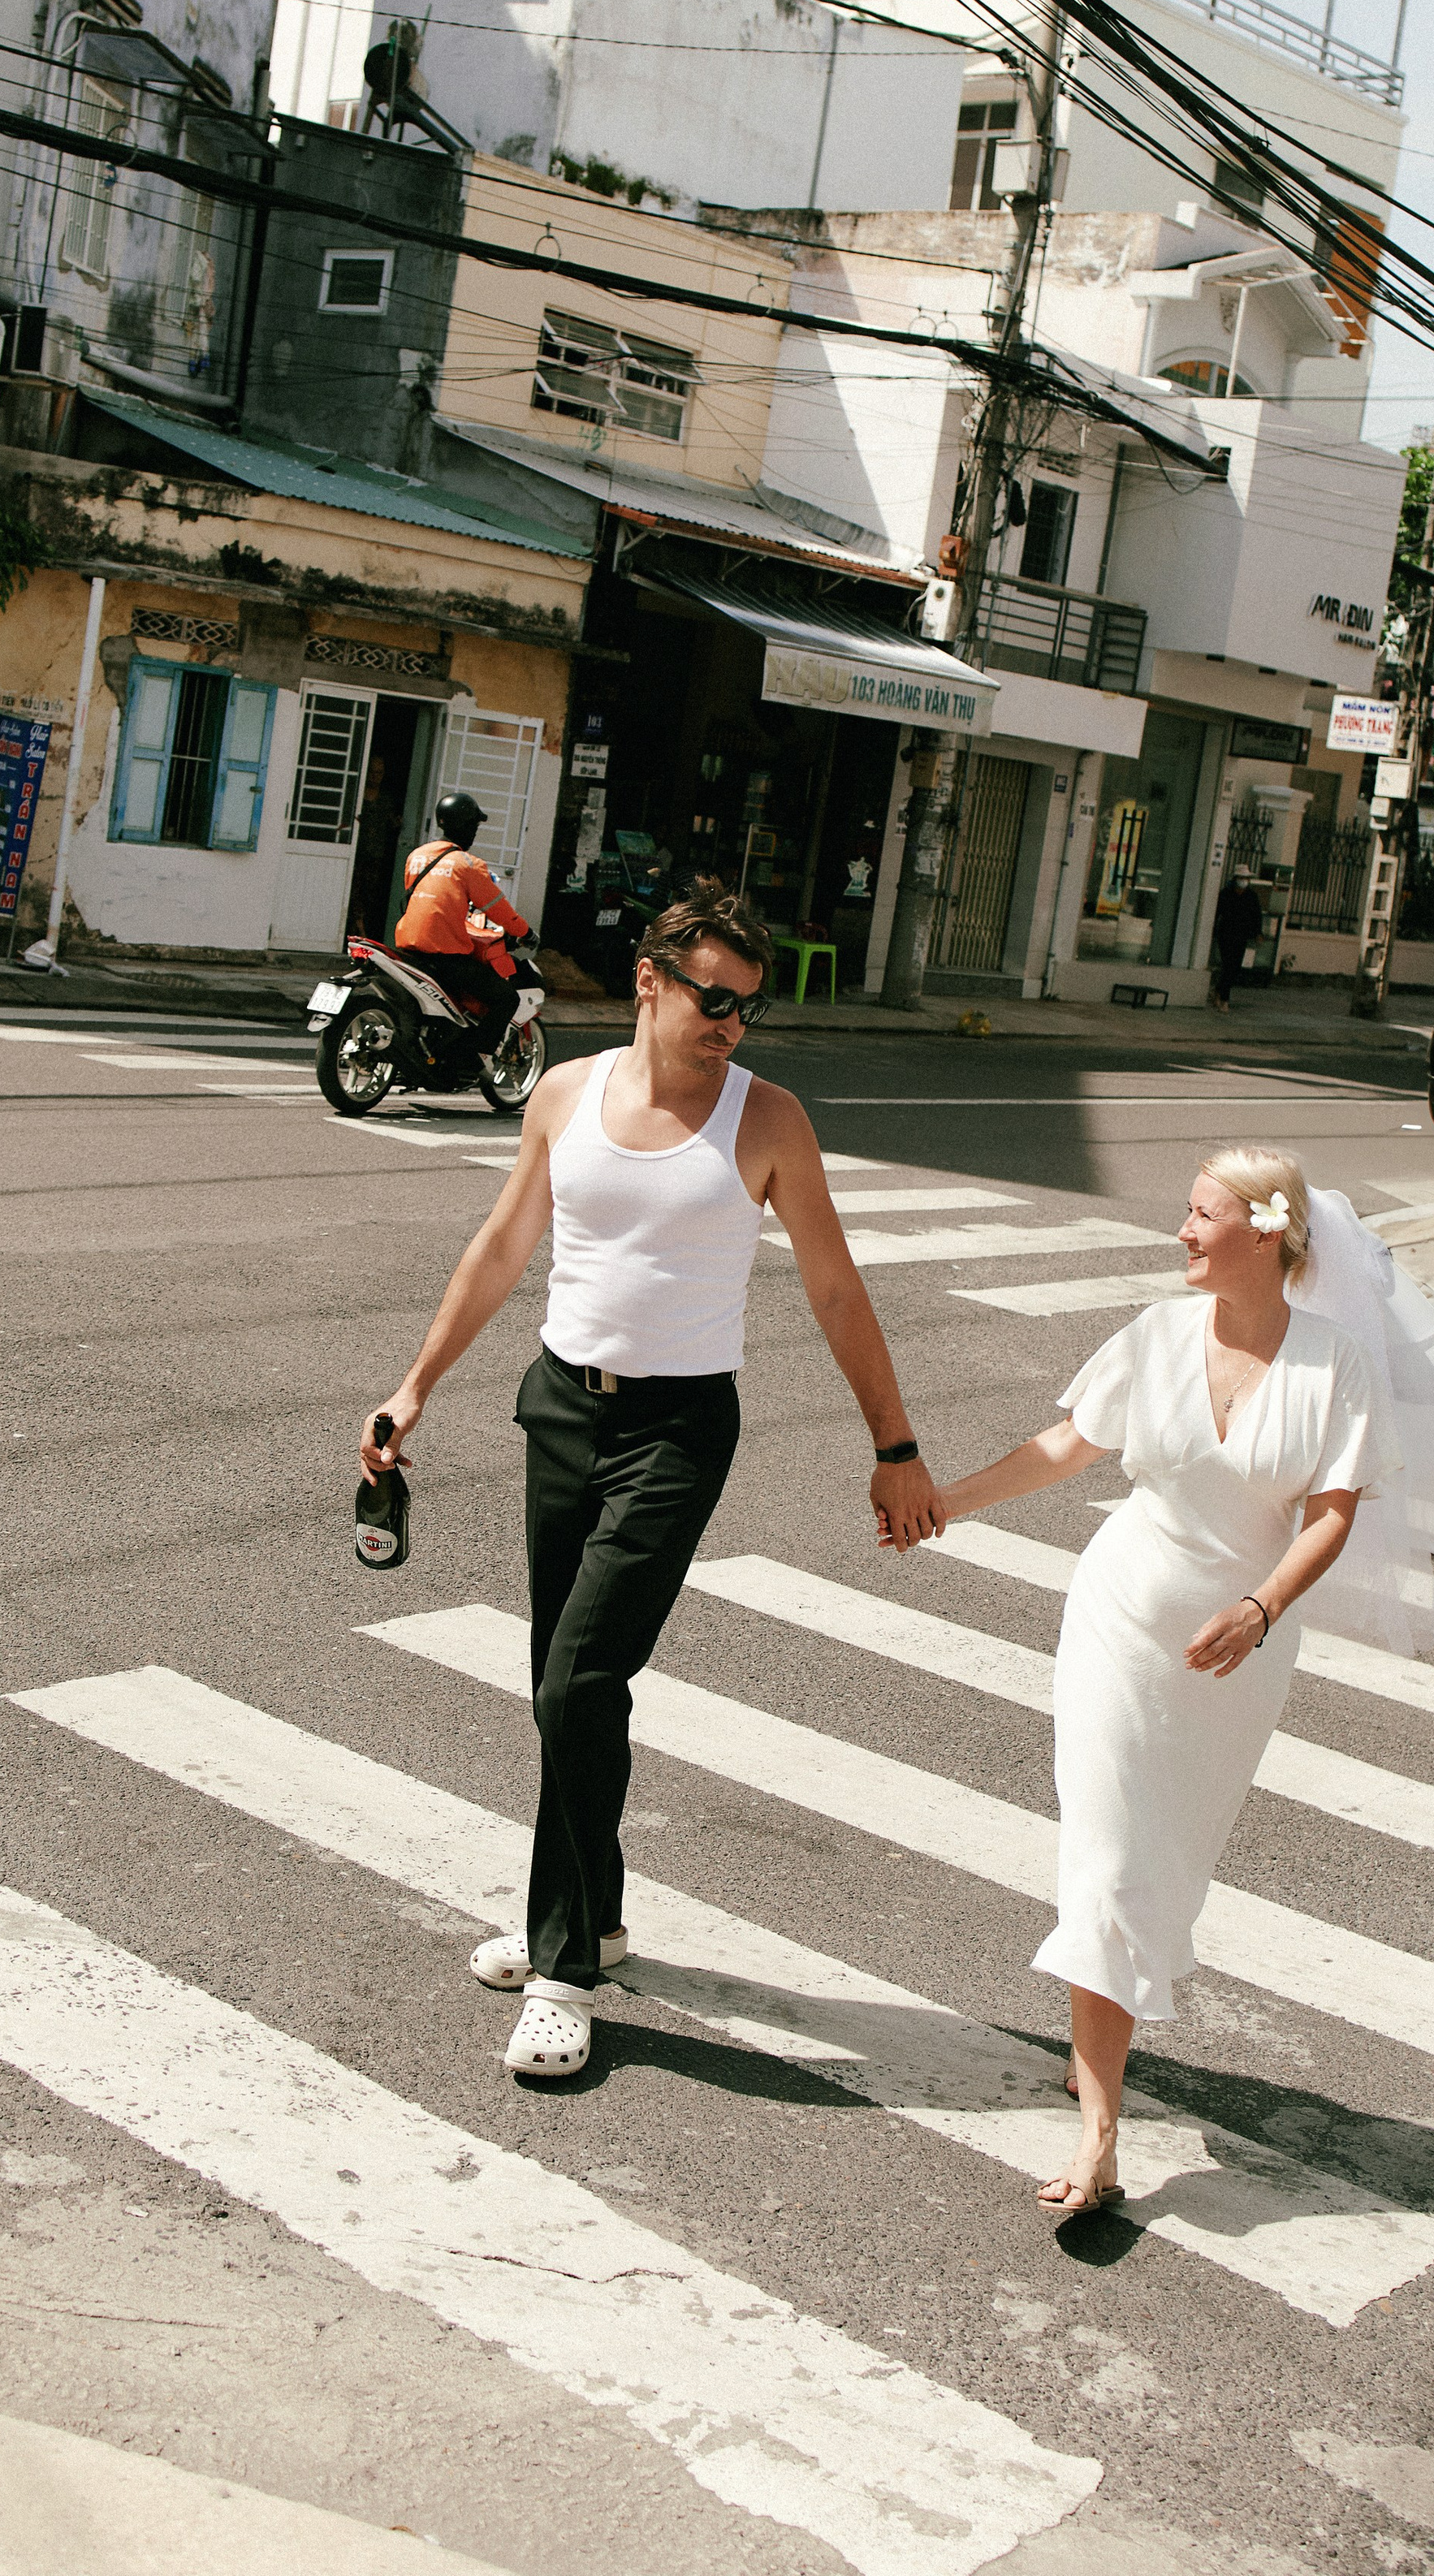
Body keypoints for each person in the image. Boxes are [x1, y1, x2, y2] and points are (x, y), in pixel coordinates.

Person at [359, 884, 944, 2079]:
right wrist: (416, 1386)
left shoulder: (765, 1121)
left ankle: (567, 1967)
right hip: (562, 1408)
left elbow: (836, 1288)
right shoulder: (566, 1094)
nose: (730, 1021)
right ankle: (595, 1915)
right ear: (650, 982)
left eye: (747, 1006)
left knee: (578, 1681)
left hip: (679, 1432)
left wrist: (895, 1448)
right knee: (565, 1684)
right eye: (710, 997)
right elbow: (502, 1246)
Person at [926, 1146, 1400, 2220]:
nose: (1181, 1232)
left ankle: (1099, 2029)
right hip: (1120, 1624)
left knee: (1165, 1869)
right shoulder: (1152, 1337)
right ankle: (1100, 2131)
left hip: (1236, 1655)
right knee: (1110, 1862)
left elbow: (1332, 1514)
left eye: (1202, 1215)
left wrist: (1262, 1607)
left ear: (1268, 1230)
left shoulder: (1336, 1368)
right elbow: (1064, 1446)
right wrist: (952, 1502)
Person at [391, 788, 529, 1055]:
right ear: (466, 825)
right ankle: (472, 1056)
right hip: (446, 958)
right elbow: (498, 910)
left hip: (407, 950)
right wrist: (526, 932)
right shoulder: (468, 864)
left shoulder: (416, 856)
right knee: (506, 998)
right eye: (475, 826)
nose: (475, 833)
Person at [1208, 867, 1264, 1010]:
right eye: (1241, 878)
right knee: (1228, 964)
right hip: (1226, 934)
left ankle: (1218, 991)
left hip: (1241, 935)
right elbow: (1217, 912)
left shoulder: (1251, 896)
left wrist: (1258, 933)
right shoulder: (1226, 894)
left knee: (1235, 967)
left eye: (1245, 879)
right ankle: (1224, 1000)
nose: (1243, 881)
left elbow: (1256, 916)